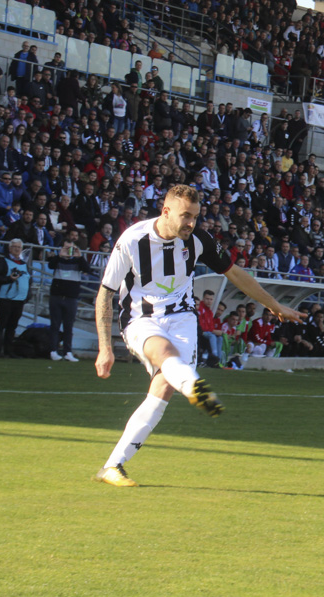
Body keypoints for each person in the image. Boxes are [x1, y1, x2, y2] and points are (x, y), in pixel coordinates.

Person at [92, 185, 305, 487]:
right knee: (166, 355)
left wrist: (274, 304)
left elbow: (235, 273)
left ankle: (113, 466)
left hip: (181, 319)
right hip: (141, 319)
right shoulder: (131, 241)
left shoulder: (199, 240)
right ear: (165, 212)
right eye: (185, 216)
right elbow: (104, 295)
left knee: (163, 388)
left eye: (195, 216)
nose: (191, 223)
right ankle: (194, 387)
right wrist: (105, 347)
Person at [47, 237, 91, 362]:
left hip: (71, 299)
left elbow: (87, 269)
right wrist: (60, 255)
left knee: (68, 326)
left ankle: (68, 352)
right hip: (56, 297)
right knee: (55, 325)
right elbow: (51, 265)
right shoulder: (57, 260)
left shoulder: (78, 262)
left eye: (71, 248)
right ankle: (53, 350)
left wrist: (80, 256)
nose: (68, 251)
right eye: (66, 248)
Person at [0, 239, 30, 358]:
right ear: (9, 248)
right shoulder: (3, 261)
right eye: (14, 247)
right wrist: (8, 279)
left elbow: (28, 279)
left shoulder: (24, 263)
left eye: (19, 247)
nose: (17, 249)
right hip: (6, 298)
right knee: (1, 324)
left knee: (12, 326)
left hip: (19, 299)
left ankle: (9, 350)